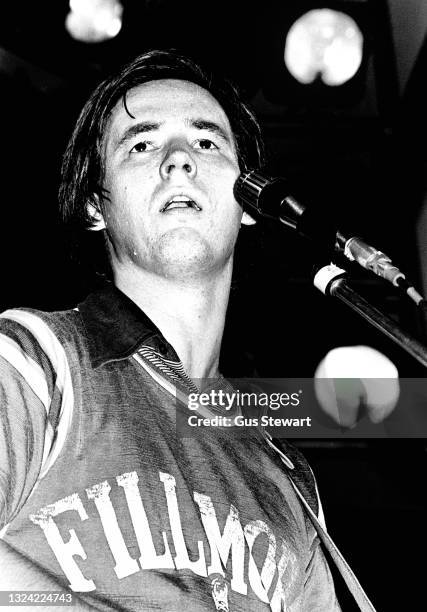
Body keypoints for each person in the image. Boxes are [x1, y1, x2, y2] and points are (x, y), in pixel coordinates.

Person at [0, 49, 341, 611]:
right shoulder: (35, 360)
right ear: (94, 204)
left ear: (250, 203)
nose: (180, 160)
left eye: (207, 142)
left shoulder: (286, 476)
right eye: (142, 144)